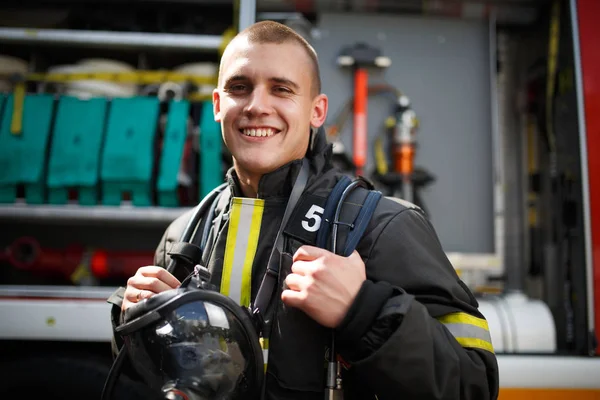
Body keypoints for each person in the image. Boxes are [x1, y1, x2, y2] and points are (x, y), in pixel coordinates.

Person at [110, 20, 499, 400]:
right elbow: (154, 380)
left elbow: (473, 385)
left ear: (317, 111)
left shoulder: (383, 227)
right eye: (239, 88)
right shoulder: (186, 233)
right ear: (217, 104)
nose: (257, 106)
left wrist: (363, 311)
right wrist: (134, 325)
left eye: (281, 89)